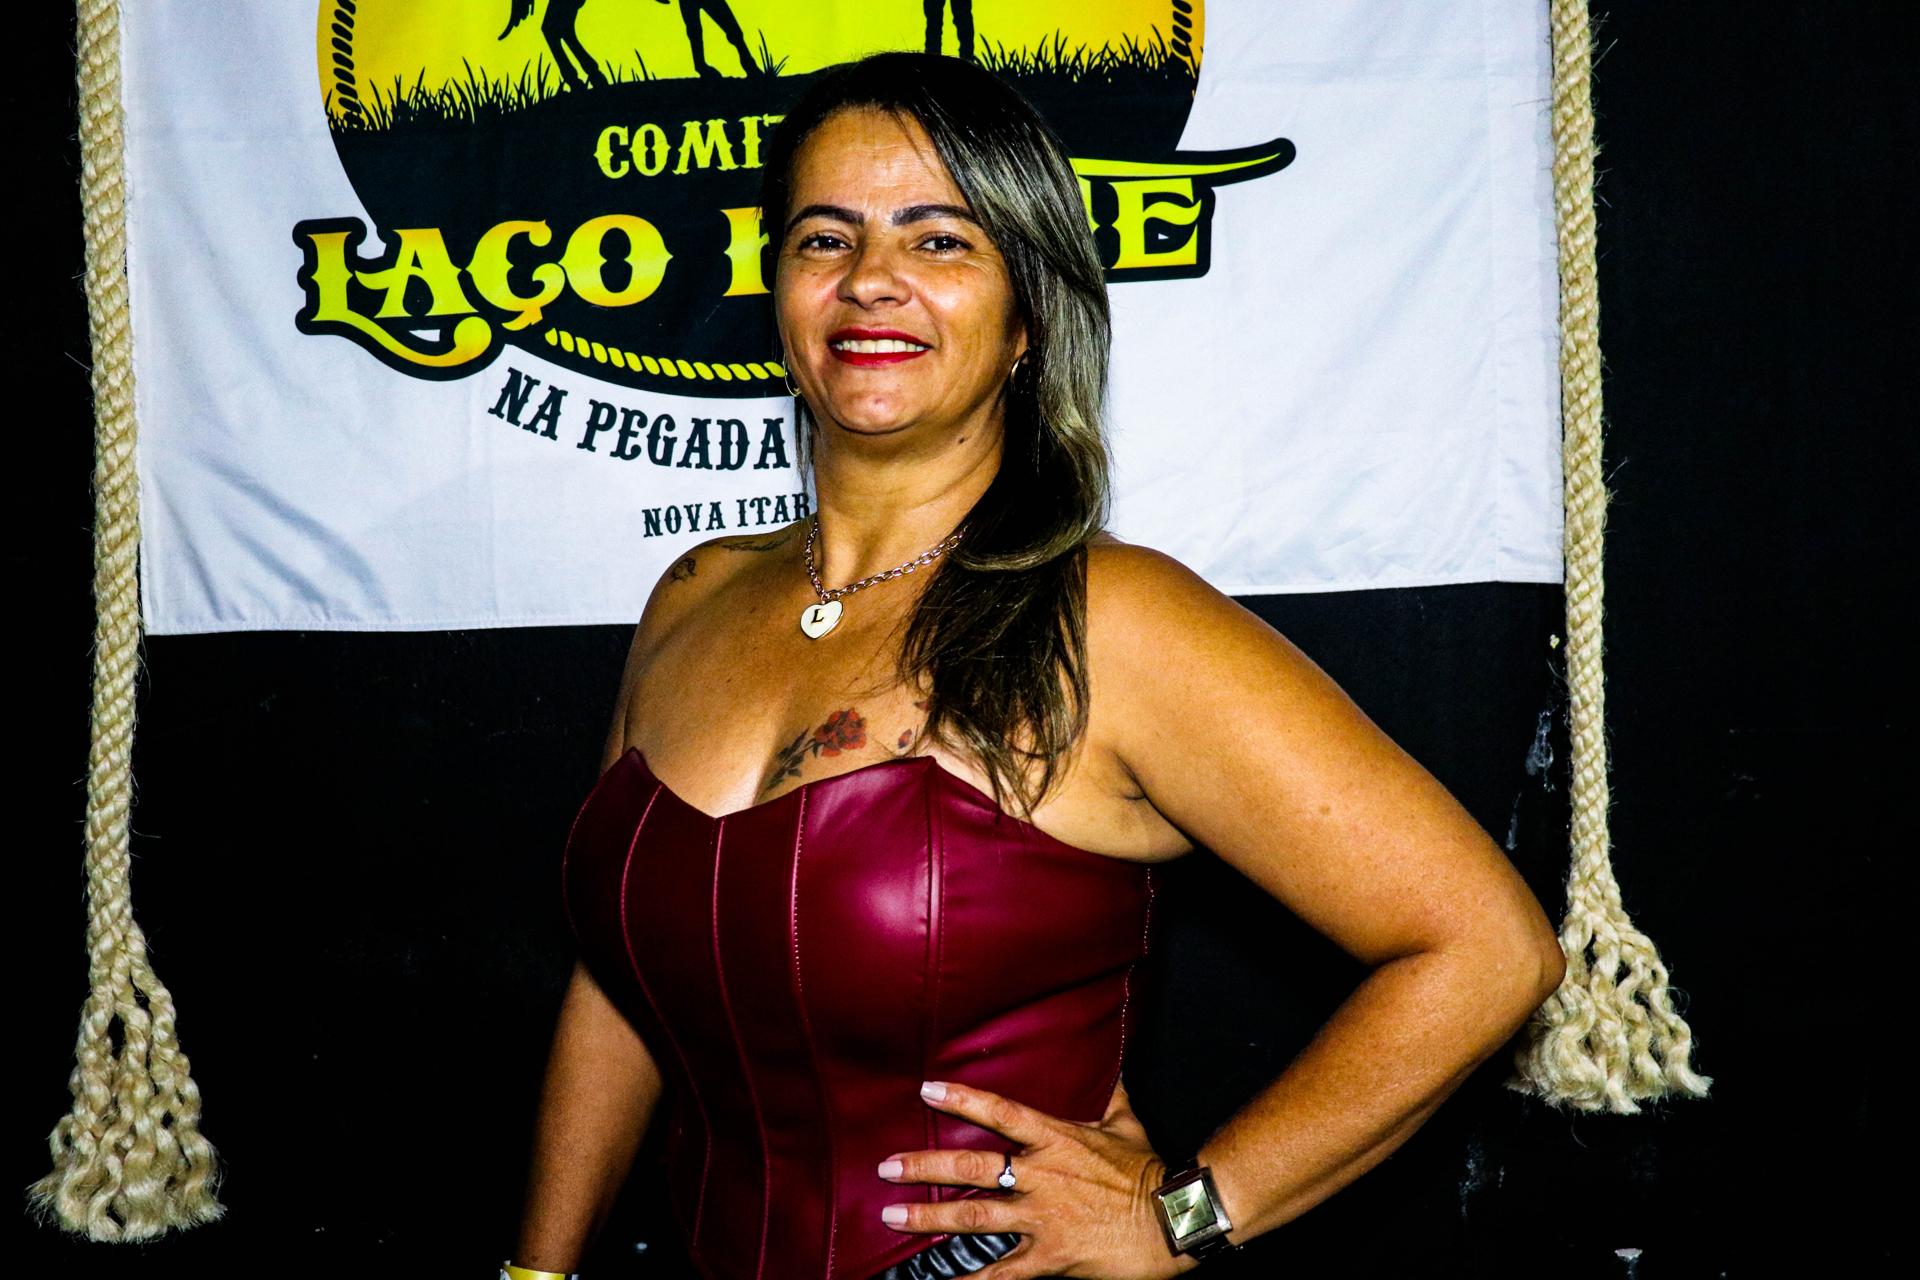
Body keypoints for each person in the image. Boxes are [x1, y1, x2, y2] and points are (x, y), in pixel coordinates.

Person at [504, 51, 1566, 1280]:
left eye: (939, 240)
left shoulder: (1112, 619)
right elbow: (620, 982)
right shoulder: (693, 594)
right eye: (825, 238)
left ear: (1026, 318)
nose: (870, 279)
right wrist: (538, 1269)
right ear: (779, 288)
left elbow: (1487, 948)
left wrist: (1185, 1212)